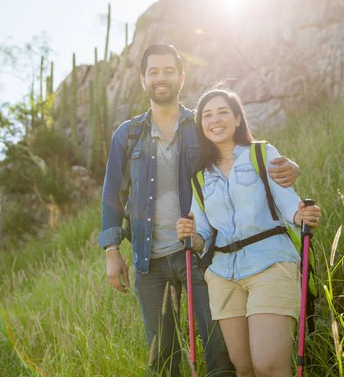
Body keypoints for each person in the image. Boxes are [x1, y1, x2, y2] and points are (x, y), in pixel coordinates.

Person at [98, 44, 301, 376]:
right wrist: (111, 250)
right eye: (153, 71)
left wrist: (288, 165)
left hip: (203, 255)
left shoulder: (202, 123)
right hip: (149, 261)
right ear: (142, 79)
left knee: (220, 354)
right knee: (162, 357)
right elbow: (111, 196)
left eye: (167, 71)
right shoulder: (128, 135)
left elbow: (242, 155)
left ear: (181, 77)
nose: (160, 78)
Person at [175, 88, 322, 377]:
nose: (214, 120)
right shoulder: (199, 176)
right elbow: (202, 233)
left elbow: (289, 203)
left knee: (268, 365)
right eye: (207, 115)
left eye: (223, 112)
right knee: (244, 369)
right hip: (223, 277)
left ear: (238, 118)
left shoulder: (262, 153)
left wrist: (301, 213)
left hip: (270, 263)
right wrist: (190, 235)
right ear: (200, 126)